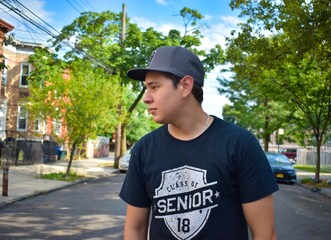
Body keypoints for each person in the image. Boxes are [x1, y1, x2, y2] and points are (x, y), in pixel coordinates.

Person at [119, 46, 279, 240]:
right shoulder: (144, 149)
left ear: (185, 85)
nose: (146, 98)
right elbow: (135, 229)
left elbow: (265, 234)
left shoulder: (240, 144)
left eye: (155, 87)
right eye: (146, 88)